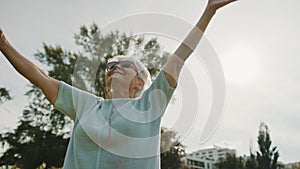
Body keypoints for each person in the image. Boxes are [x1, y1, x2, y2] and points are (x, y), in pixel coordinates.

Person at [0, 0, 238, 168]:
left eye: (123, 65)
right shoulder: (86, 105)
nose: (112, 67)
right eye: (110, 66)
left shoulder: (149, 106)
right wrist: (3, 43)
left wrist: (208, 12)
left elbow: (179, 58)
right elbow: (40, 77)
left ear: (139, 81)